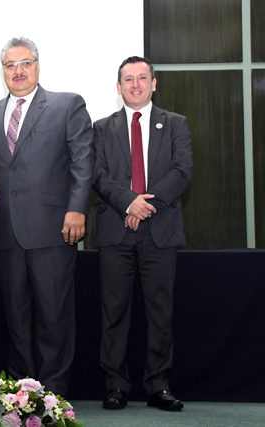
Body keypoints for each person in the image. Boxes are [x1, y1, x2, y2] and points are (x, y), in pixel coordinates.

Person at [0, 37, 94, 396]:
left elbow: (83, 161)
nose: (18, 71)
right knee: (16, 316)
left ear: (37, 67)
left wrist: (76, 208)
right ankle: (22, 393)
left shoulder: (66, 105)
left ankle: (53, 393)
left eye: (25, 63)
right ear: (3, 72)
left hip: (54, 229)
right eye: (11, 65)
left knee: (54, 315)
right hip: (7, 232)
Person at [91, 56, 192, 411]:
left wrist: (145, 205)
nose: (136, 84)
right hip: (115, 232)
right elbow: (98, 175)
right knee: (113, 312)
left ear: (153, 83)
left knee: (159, 311)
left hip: (159, 230)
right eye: (128, 79)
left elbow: (182, 172)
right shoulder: (102, 128)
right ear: (118, 87)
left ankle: (158, 385)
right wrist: (128, 203)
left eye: (142, 78)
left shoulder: (175, 124)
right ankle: (116, 385)